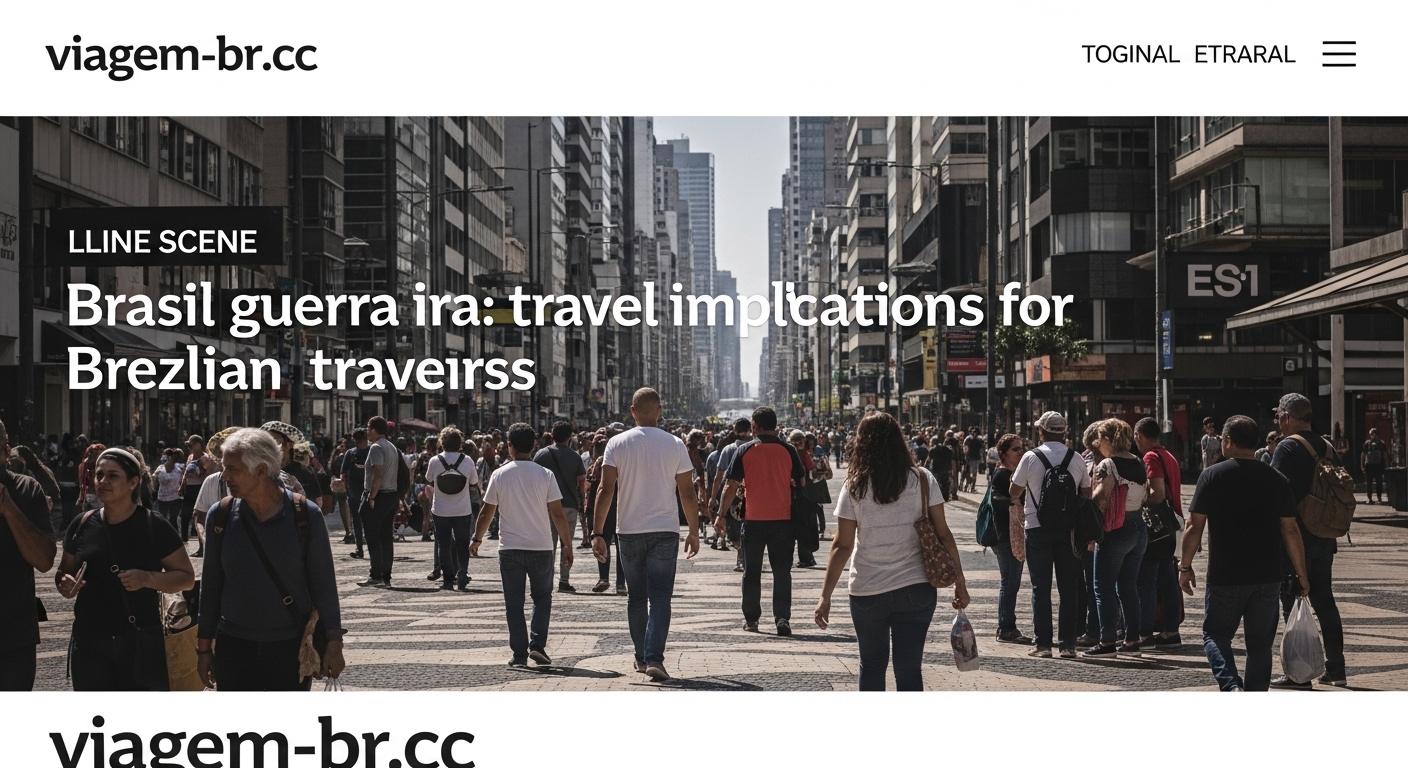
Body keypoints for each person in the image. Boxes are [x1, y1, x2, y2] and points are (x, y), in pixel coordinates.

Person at [814, 412, 969, 691]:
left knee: (871, 666)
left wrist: (825, 596)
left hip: (867, 590)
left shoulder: (855, 485)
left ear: (862, 443)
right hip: (916, 587)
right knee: (909, 669)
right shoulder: (922, 480)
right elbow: (944, 534)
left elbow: (843, 545)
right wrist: (960, 582)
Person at [197, 428, 345, 691]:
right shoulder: (220, 516)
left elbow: (323, 583)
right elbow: (211, 586)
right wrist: (204, 648)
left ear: (262, 470)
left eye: (233, 469)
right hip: (234, 646)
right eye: (223, 468)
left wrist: (334, 642)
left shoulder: (305, 516)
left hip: (289, 647)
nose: (225, 477)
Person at [1181, 415, 1309, 692]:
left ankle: (1231, 687)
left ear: (1227, 441)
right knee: (1260, 646)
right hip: (1267, 576)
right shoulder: (1277, 479)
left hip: (1226, 575)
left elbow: (1194, 526)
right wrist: (1301, 573)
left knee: (1215, 635)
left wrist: (1185, 566)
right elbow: (1290, 530)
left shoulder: (1212, 476)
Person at [56, 447, 193, 690]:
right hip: (89, 641)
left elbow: (186, 578)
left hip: (137, 642)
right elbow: (63, 572)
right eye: (99, 475)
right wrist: (65, 585)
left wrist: (147, 578)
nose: (103, 481)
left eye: (112, 476)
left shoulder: (154, 525)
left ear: (133, 482)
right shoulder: (82, 523)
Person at [590, 387, 702, 682]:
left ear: (632, 411)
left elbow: (605, 489)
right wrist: (693, 529)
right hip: (665, 529)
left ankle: (641, 657)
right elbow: (687, 492)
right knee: (661, 597)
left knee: (636, 597)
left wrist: (597, 531)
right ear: (660, 410)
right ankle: (654, 657)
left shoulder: (616, 443)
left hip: (628, 530)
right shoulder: (675, 444)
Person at [472, 424, 572, 667]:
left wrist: (477, 538)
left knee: (513, 603)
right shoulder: (545, 475)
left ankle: (519, 654)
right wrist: (567, 545)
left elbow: (487, 511)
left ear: (510, 447)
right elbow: (558, 514)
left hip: (510, 548)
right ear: (534, 446)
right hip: (541, 546)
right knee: (542, 598)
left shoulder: (500, 474)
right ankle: (537, 645)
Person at [1270, 393, 1347, 688]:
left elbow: (1276, 493)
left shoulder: (1287, 447)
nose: (1278, 421)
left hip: (1296, 538)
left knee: (1292, 602)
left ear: (1288, 417)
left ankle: (1298, 672)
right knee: (1325, 601)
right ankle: (1337, 669)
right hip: (1324, 535)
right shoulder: (1327, 446)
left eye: (1280, 416)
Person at [1009, 411, 1091, 658]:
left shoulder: (1030, 457)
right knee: (1069, 588)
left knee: (1040, 587)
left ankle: (1043, 644)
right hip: (1068, 530)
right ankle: (1068, 645)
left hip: (1036, 528)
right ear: (1064, 432)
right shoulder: (1076, 458)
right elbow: (1086, 494)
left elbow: (1014, 490)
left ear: (1041, 432)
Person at [718, 409, 806, 636]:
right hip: (783, 520)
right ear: (775, 425)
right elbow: (801, 480)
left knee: (752, 571)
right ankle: (782, 617)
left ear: (755, 426)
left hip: (754, 519)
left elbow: (731, 485)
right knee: (782, 571)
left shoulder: (744, 450)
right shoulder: (788, 450)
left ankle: (752, 619)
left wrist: (720, 514)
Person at [1082, 418, 1148, 656]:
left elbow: (1101, 498)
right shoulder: (1138, 461)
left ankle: (1107, 641)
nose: (1097, 444)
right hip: (1138, 527)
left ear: (1108, 439)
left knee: (1103, 587)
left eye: (1099, 439)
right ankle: (1132, 641)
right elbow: (1146, 495)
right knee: (1129, 586)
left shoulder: (1108, 465)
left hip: (1115, 529)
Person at [0, 419, 58, 690]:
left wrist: (8, 508)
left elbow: (44, 560)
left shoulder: (26, 490)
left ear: (5, 451)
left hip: (14, 634)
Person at [1135, 417, 1184, 649]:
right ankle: (1171, 630)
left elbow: (1157, 493)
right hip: (1171, 526)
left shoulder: (1150, 457)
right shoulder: (1169, 456)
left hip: (1156, 528)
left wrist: (1138, 499)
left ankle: (1145, 633)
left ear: (1139, 436)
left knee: (1147, 580)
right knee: (1167, 579)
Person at [534, 421, 587, 594]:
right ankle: (564, 580)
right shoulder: (575, 457)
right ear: (569, 437)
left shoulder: (541, 455)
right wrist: (583, 502)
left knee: (548, 545)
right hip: (569, 506)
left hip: (547, 506)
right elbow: (581, 483)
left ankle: (546, 579)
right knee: (566, 543)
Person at [426, 427, 480, 591]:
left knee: (443, 544)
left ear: (442, 442)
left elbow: (429, 479)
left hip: (440, 509)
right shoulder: (468, 461)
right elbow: (473, 482)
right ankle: (462, 574)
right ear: (460, 444)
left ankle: (448, 579)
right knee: (462, 544)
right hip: (462, 509)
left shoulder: (435, 461)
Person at [989, 433, 1031, 644]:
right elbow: (1001, 502)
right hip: (1006, 536)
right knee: (1010, 582)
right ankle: (1006, 627)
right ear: (1003, 454)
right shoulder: (1004, 475)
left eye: (1022, 448)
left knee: (1011, 581)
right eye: (1016, 449)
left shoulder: (1009, 473)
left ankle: (1007, 626)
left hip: (1008, 534)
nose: (1020, 452)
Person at [584, 430, 627, 593]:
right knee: (620, 546)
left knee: (602, 541)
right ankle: (621, 583)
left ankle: (604, 578)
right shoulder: (617, 460)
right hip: (618, 507)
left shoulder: (599, 462)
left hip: (603, 508)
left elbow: (591, 487)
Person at [361, 416, 401, 587]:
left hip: (378, 495)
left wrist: (371, 497)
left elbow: (378, 474)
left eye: (368, 428)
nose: (366, 431)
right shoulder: (391, 447)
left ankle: (375, 573)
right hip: (391, 495)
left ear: (374, 429)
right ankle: (386, 574)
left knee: (372, 536)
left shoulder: (376, 447)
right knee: (386, 536)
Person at [341, 429, 370, 559]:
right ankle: (362, 549)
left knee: (363, 521)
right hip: (360, 493)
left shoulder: (370, 451)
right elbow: (343, 473)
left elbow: (343, 474)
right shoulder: (352, 453)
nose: (359, 443)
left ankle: (366, 548)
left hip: (365, 492)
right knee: (360, 522)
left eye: (360, 440)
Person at [152, 450, 185, 530]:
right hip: (162, 498)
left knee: (173, 520)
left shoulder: (180, 467)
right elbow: (153, 478)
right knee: (162, 519)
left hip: (176, 498)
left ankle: (175, 539)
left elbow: (185, 479)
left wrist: (183, 489)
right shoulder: (160, 468)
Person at [1362, 427, 1388, 504]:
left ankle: (1379, 498)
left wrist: (1386, 465)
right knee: (1369, 483)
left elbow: (1384, 455)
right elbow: (1363, 454)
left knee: (1379, 482)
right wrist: (1362, 465)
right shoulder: (1367, 443)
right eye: (1371, 434)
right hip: (1369, 466)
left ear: (1376, 435)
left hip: (1378, 466)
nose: (1372, 436)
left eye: (1373, 434)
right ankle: (1369, 498)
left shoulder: (1381, 443)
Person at [926, 434, 955, 501]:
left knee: (936, 484)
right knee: (945, 483)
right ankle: (946, 497)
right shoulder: (948, 450)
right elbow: (950, 459)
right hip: (945, 469)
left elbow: (928, 460)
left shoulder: (932, 450)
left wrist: (925, 468)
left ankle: (937, 498)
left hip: (936, 470)